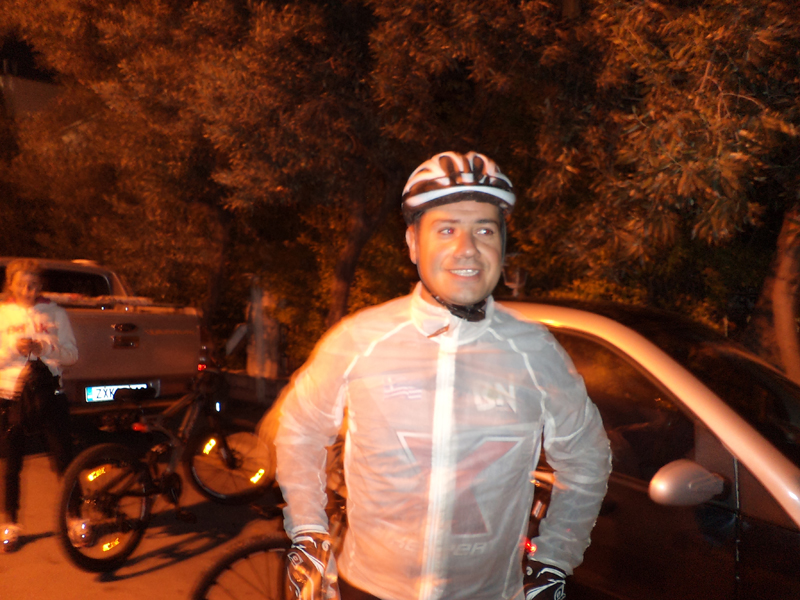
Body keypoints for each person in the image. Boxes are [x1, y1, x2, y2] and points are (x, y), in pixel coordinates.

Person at [271, 151, 612, 600]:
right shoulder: (358, 340)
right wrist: (309, 535)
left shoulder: (535, 351)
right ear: (413, 243)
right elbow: (300, 431)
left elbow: (587, 459)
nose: (467, 248)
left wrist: (553, 562)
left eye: (485, 230)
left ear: (503, 245)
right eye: (446, 229)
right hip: (369, 588)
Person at [0, 259, 78, 553]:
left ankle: (76, 518)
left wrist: (44, 348)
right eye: (22, 284)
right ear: (11, 284)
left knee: (64, 459)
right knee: (11, 465)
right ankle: (10, 523)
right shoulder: (2, 314)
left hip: (49, 393)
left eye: (34, 285)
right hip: (10, 395)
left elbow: (72, 355)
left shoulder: (56, 313)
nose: (28, 290)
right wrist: (14, 348)